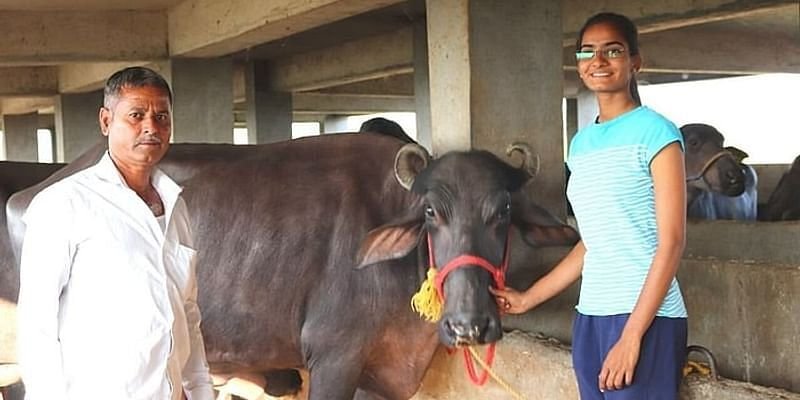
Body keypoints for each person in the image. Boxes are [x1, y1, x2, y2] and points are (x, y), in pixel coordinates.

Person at [491, 12, 688, 400]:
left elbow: (672, 243)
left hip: (646, 319)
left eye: (612, 51)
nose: (598, 60)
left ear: (635, 61)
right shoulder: (581, 144)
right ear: (579, 65)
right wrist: (529, 298)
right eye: (588, 52)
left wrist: (632, 336)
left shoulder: (657, 133)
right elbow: (593, 242)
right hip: (590, 317)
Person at [17, 67, 214, 399]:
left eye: (162, 116)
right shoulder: (63, 204)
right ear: (106, 121)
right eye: (136, 115)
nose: (151, 126)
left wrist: (201, 391)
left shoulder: (176, 206)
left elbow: (187, 313)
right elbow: (37, 324)